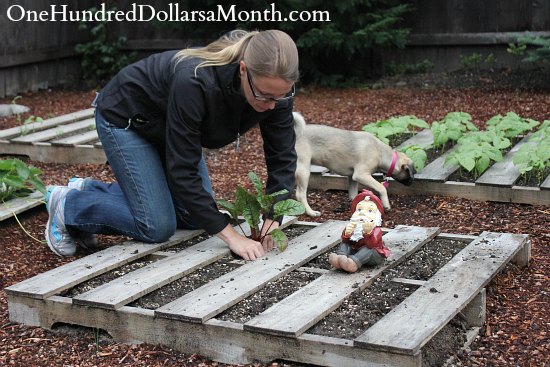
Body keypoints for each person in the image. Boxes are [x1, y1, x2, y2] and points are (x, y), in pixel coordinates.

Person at [44, 29, 299, 261]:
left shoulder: (276, 94)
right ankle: (68, 206)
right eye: (264, 95)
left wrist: (273, 219)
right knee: (156, 226)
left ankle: (90, 189)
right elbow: (182, 171)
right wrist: (233, 238)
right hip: (128, 117)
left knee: (193, 215)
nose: (271, 105)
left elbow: (283, 158)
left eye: (280, 96)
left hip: (170, 127)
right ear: (243, 70)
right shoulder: (196, 81)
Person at [328, 190, 391, 272]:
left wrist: (368, 233)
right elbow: (345, 240)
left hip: (373, 257)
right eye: (360, 209)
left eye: (370, 210)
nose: (362, 213)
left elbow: (372, 244)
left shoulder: (376, 230)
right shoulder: (354, 226)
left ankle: (353, 264)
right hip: (356, 251)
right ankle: (340, 258)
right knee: (345, 243)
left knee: (369, 249)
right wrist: (347, 234)